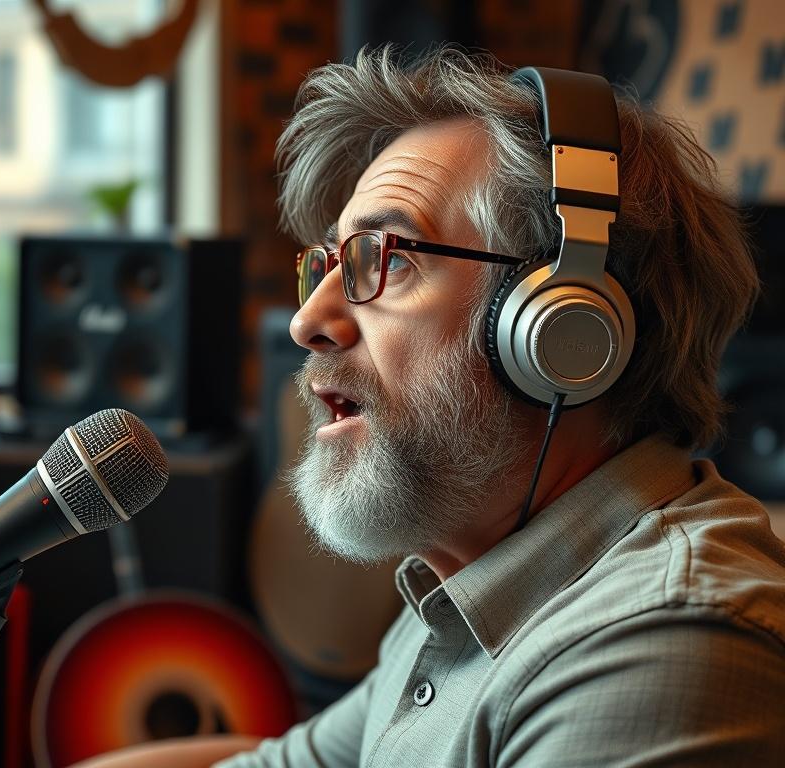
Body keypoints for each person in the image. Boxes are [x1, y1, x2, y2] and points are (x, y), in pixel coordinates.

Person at [85, 45, 785, 768]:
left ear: (563, 330)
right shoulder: (467, 581)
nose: (306, 322)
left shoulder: (663, 642)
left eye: (384, 258)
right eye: (325, 265)